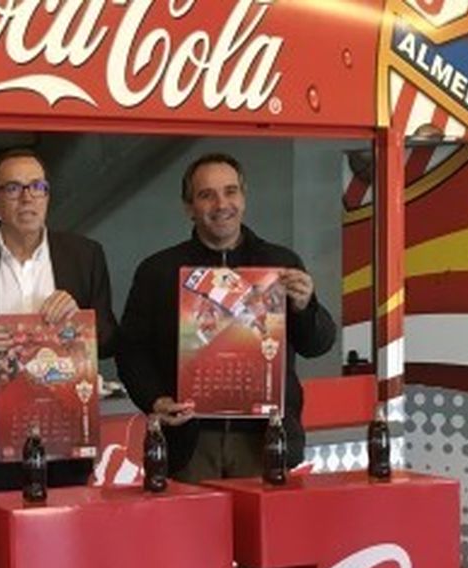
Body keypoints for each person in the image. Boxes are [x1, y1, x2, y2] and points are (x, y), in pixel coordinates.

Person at [117, 152, 338, 481]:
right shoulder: (158, 271)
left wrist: (305, 307)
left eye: (230, 191)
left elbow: (318, 344)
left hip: (265, 439)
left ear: (243, 199)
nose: (221, 204)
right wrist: (155, 400)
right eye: (206, 195)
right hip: (189, 442)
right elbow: (130, 350)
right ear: (189, 208)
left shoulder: (279, 264)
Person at [0, 148, 118, 492]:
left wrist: (81, 321)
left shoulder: (85, 255)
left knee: (66, 523)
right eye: (13, 188)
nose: (27, 197)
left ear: (47, 194)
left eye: (37, 187)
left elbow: (109, 338)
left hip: (66, 431)